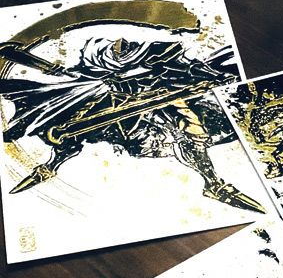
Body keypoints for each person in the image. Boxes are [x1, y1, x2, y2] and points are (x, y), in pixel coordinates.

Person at [0, 36, 263, 210]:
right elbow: (77, 78)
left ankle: (213, 184)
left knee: (188, 130)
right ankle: (214, 184)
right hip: (116, 101)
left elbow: (183, 70)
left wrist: (208, 78)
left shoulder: (157, 56)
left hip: (158, 98)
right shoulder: (98, 60)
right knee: (183, 132)